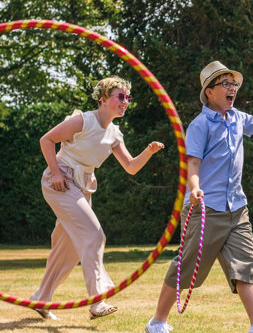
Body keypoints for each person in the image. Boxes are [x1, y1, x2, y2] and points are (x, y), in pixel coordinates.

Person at [143, 60, 253, 333]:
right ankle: (157, 322)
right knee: (188, 267)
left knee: (245, 263)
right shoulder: (200, 125)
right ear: (209, 91)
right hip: (205, 208)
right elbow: (192, 166)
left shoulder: (239, 119)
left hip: (237, 208)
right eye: (226, 84)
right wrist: (194, 190)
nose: (233, 89)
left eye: (234, 84)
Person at [30, 76, 164, 319]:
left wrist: (149, 151)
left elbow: (131, 167)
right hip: (60, 182)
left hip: (82, 187)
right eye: (120, 97)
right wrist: (57, 173)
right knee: (94, 235)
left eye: (127, 98)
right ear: (103, 100)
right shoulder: (82, 120)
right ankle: (97, 301)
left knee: (67, 250)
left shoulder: (114, 134)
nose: (125, 102)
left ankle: (40, 299)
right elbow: (46, 140)